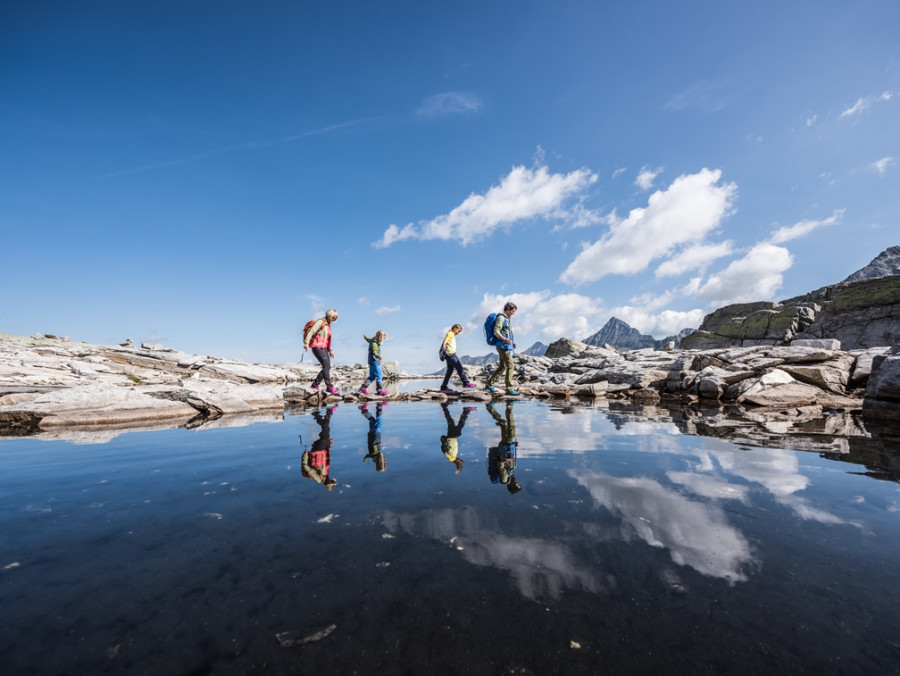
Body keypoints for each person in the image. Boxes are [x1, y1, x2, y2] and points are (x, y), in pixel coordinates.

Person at [486, 401, 522, 494]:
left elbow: (500, 465)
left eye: (516, 484)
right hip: (507, 447)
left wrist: (508, 460)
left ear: (512, 485)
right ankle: (490, 407)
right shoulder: (511, 475)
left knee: (512, 428)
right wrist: (515, 445)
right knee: (503, 424)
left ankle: (509, 405)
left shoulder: (505, 479)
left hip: (506, 447)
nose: (517, 482)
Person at [301, 405, 339, 490]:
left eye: (331, 482)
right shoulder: (326, 474)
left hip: (317, 451)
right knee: (326, 430)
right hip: (322, 450)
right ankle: (325, 413)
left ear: (328, 483)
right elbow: (325, 460)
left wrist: (305, 456)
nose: (331, 480)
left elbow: (307, 468)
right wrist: (329, 445)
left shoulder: (319, 479)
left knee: (325, 431)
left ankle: (320, 413)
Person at [485, 302, 518, 396]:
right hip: (502, 346)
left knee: (502, 367)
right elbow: (496, 331)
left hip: (506, 345)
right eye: (512, 311)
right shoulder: (501, 318)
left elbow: (506, 333)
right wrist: (504, 339)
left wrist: (512, 343)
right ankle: (509, 388)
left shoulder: (507, 319)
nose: (513, 313)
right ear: (507, 309)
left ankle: (489, 385)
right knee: (510, 366)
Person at [304, 309, 340, 395]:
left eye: (336, 318)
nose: (334, 319)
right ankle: (329, 387)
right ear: (330, 315)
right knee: (326, 366)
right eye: (334, 317)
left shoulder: (328, 325)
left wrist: (330, 350)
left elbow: (327, 340)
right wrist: (306, 343)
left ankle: (314, 385)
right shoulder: (321, 322)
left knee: (327, 366)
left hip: (323, 348)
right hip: (317, 347)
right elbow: (312, 331)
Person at [439, 324, 477, 393]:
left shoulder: (451, 334)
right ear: (454, 328)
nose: (458, 333)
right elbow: (446, 340)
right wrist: (444, 345)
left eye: (459, 332)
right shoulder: (450, 333)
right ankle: (466, 383)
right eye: (458, 331)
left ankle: (443, 387)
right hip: (451, 355)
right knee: (460, 368)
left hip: (449, 355)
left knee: (449, 372)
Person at [439, 402, 476, 474]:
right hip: (452, 436)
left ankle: (465, 411)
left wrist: (444, 443)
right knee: (450, 420)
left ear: (457, 462)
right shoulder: (454, 456)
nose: (460, 459)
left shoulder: (451, 458)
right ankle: (444, 406)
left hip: (451, 436)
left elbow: (445, 452)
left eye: (460, 460)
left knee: (459, 423)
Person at [358, 331, 388, 396]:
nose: (384, 340)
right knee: (379, 376)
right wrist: (378, 356)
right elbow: (374, 352)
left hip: (371, 361)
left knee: (372, 376)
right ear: (380, 337)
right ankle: (379, 391)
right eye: (383, 338)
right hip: (375, 362)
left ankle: (363, 388)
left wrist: (365, 336)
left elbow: (368, 339)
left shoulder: (372, 340)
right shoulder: (375, 344)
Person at [359, 402, 387, 472]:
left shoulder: (376, 453)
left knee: (379, 420)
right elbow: (367, 456)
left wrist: (378, 444)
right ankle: (364, 410)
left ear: (381, 461)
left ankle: (379, 406)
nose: (384, 459)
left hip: (375, 434)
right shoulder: (372, 456)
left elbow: (374, 445)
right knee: (372, 420)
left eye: (384, 461)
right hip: (370, 434)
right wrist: (365, 459)